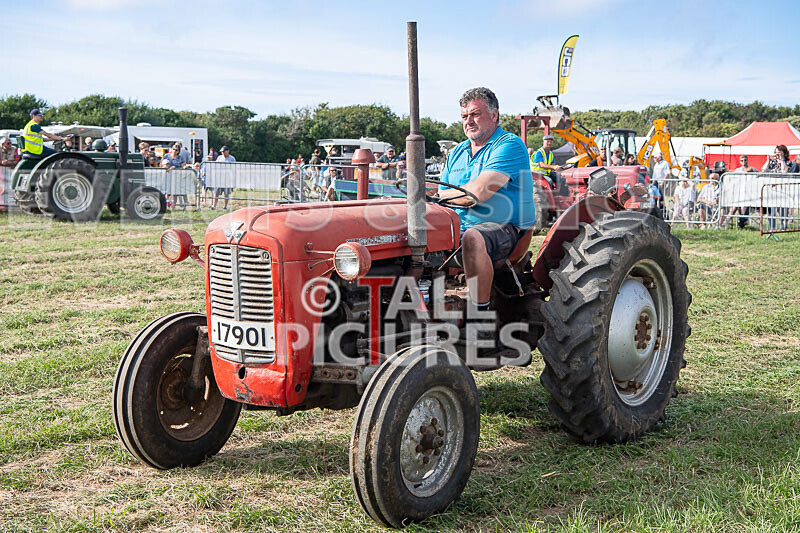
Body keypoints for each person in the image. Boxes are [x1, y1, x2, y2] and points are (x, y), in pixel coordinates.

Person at [437, 87, 534, 336]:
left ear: (494, 114)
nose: (469, 121)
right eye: (464, 116)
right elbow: (439, 194)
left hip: (506, 227)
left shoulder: (509, 145)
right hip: (457, 227)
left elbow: (478, 193)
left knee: (473, 237)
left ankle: (480, 319)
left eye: (475, 114)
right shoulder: (457, 152)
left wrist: (450, 196)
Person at [213, 145, 235, 210]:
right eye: (222, 151)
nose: (222, 153)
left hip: (227, 178)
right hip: (219, 178)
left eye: (223, 151)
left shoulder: (232, 158)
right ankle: (214, 206)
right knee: (216, 192)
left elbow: (234, 168)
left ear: (227, 151)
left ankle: (225, 206)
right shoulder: (219, 157)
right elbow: (215, 165)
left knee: (226, 193)